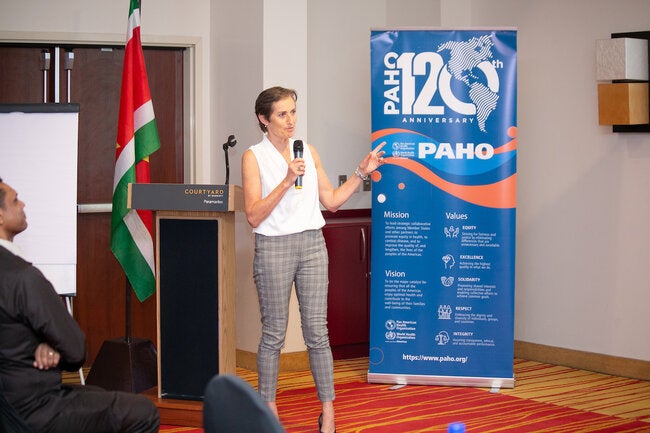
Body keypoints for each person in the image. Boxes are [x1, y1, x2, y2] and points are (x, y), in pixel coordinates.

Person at [241, 86, 385, 433]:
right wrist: (287, 180)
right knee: (273, 334)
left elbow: (331, 201)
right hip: (273, 246)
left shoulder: (307, 149)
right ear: (264, 119)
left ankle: (329, 411)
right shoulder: (253, 157)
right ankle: (267, 409)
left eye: (293, 112)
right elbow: (254, 215)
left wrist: (361, 173)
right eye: (282, 114)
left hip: (311, 245)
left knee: (317, 333)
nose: (291, 120)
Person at [0, 177, 160, 433]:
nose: (23, 204)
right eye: (15, 200)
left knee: (96, 394)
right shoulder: (22, 277)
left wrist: (48, 343)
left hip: (9, 401)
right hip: (33, 409)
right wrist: (53, 345)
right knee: (143, 411)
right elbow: (75, 350)